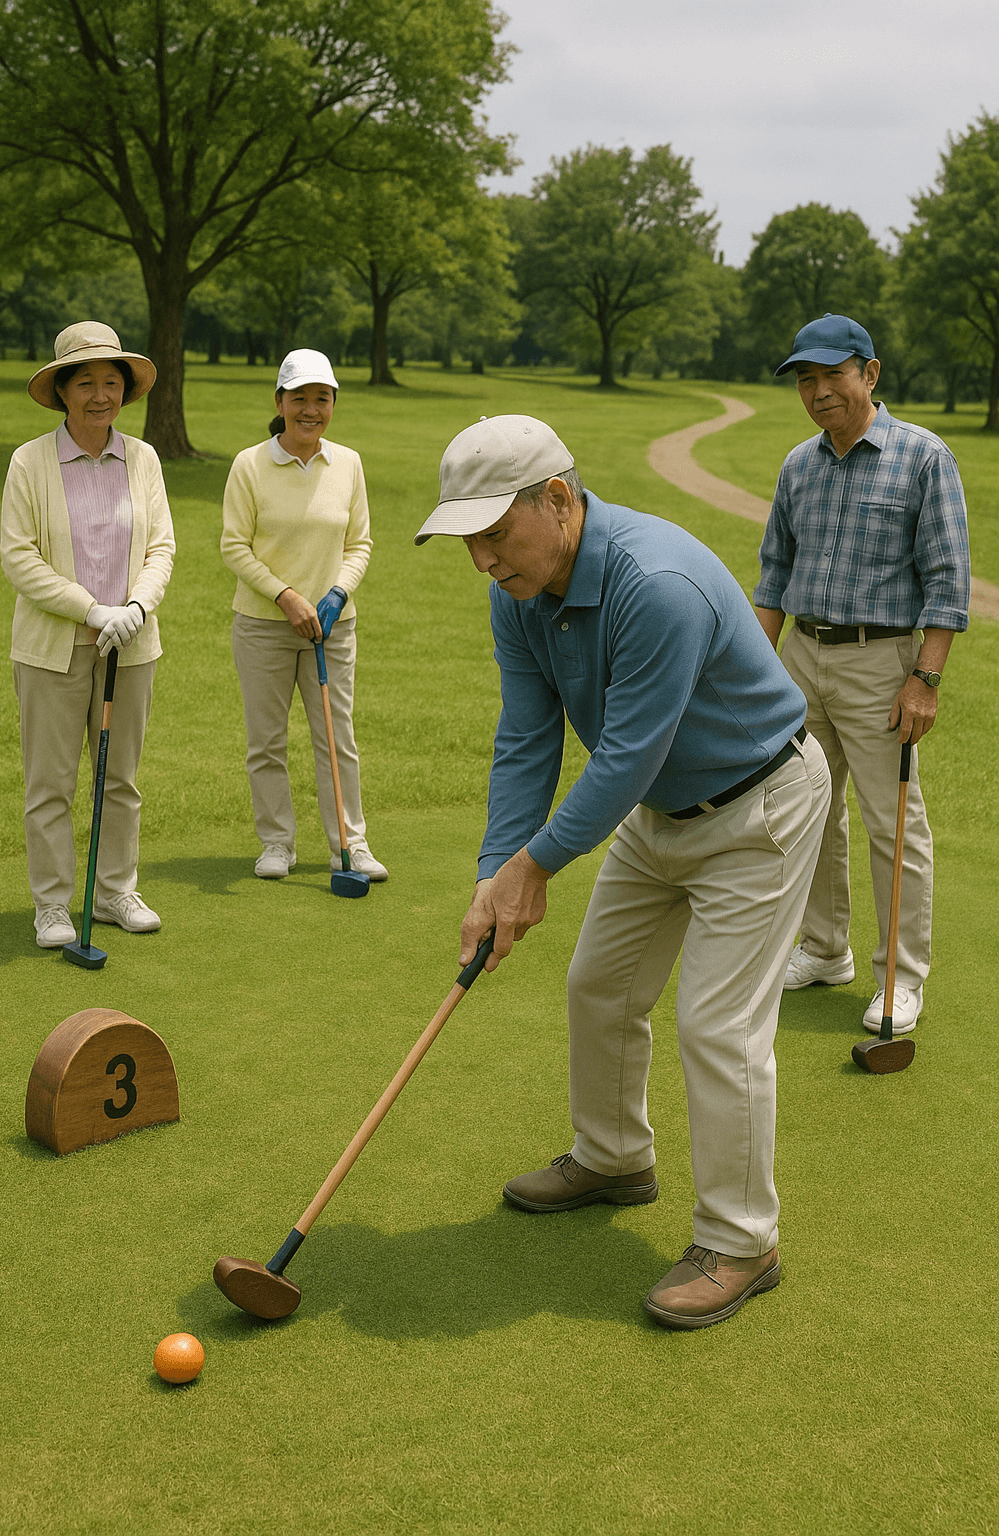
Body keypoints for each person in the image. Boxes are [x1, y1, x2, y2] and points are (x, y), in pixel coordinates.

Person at [414, 414, 832, 1330]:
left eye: (495, 533)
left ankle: (742, 1241)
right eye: (468, 541)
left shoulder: (657, 583)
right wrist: (497, 870)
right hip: (660, 812)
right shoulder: (519, 592)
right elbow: (527, 737)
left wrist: (536, 868)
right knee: (599, 984)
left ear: (558, 500)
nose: (482, 560)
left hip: (759, 806)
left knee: (718, 1025)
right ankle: (612, 1158)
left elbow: (628, 755)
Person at [754, 314, 970, 1035]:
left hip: (883, 664)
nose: (818, 392)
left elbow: (947, 582)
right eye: (805, 380)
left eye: (832, 375)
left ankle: (900, 980)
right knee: (805, 809)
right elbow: (774, 575)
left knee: (893, 823)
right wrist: (757, 670)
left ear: (869, 374)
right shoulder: (798, 465)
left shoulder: (924, 458)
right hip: (799, 659)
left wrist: (925, 680)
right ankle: (824, 949)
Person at [0, 321, 175, 947]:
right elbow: (19, 557)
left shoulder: (144, 458)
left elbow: (161, 548)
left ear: (124, 391)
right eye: (86, 383)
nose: (100, 396)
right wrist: (91, 610)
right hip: (53, 648)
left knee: (119, 777)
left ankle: (113, 892)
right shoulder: (29, 461)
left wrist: (136, 606)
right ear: (63, 391)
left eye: (111, 383)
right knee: (50, 783)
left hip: (131, 642)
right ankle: (52, 905)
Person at [220, 349, 386, 882]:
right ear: (280, 402)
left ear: (333, 404)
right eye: (300, 399)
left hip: (333, 628)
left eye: (322, 398)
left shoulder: (349, 464)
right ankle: (276, 843)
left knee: (337, 739)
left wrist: (338, 592)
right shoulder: (250, 465)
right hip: (262, 626)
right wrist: (286, 596)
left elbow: (359, 543)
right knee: (266, 742)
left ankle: (349, 846)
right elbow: (234, 546)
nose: (310, 410)